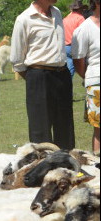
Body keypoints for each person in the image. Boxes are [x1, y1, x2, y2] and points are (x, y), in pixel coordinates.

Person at [11, 0, 75, 149]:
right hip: (38, 75)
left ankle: (66, 164)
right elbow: (16, 58)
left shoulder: (57, 12)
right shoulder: (24, 19)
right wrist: (35, 77)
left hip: (62, 73)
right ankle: (43, 167)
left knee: (65, 125)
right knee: (40, 128)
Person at [72, 0, 100, 153]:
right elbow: (78, 60)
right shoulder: (84, 29)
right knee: (99, 129)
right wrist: (88, 77)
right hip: (97, 83)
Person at [64, 0, 87, 78]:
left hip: (65, 47)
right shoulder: (80, 18)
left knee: (69, 71)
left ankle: (65, 89)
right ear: (80, 9)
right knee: (86, 69)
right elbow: (84, 34)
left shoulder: (65, 19)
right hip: (76, 47)